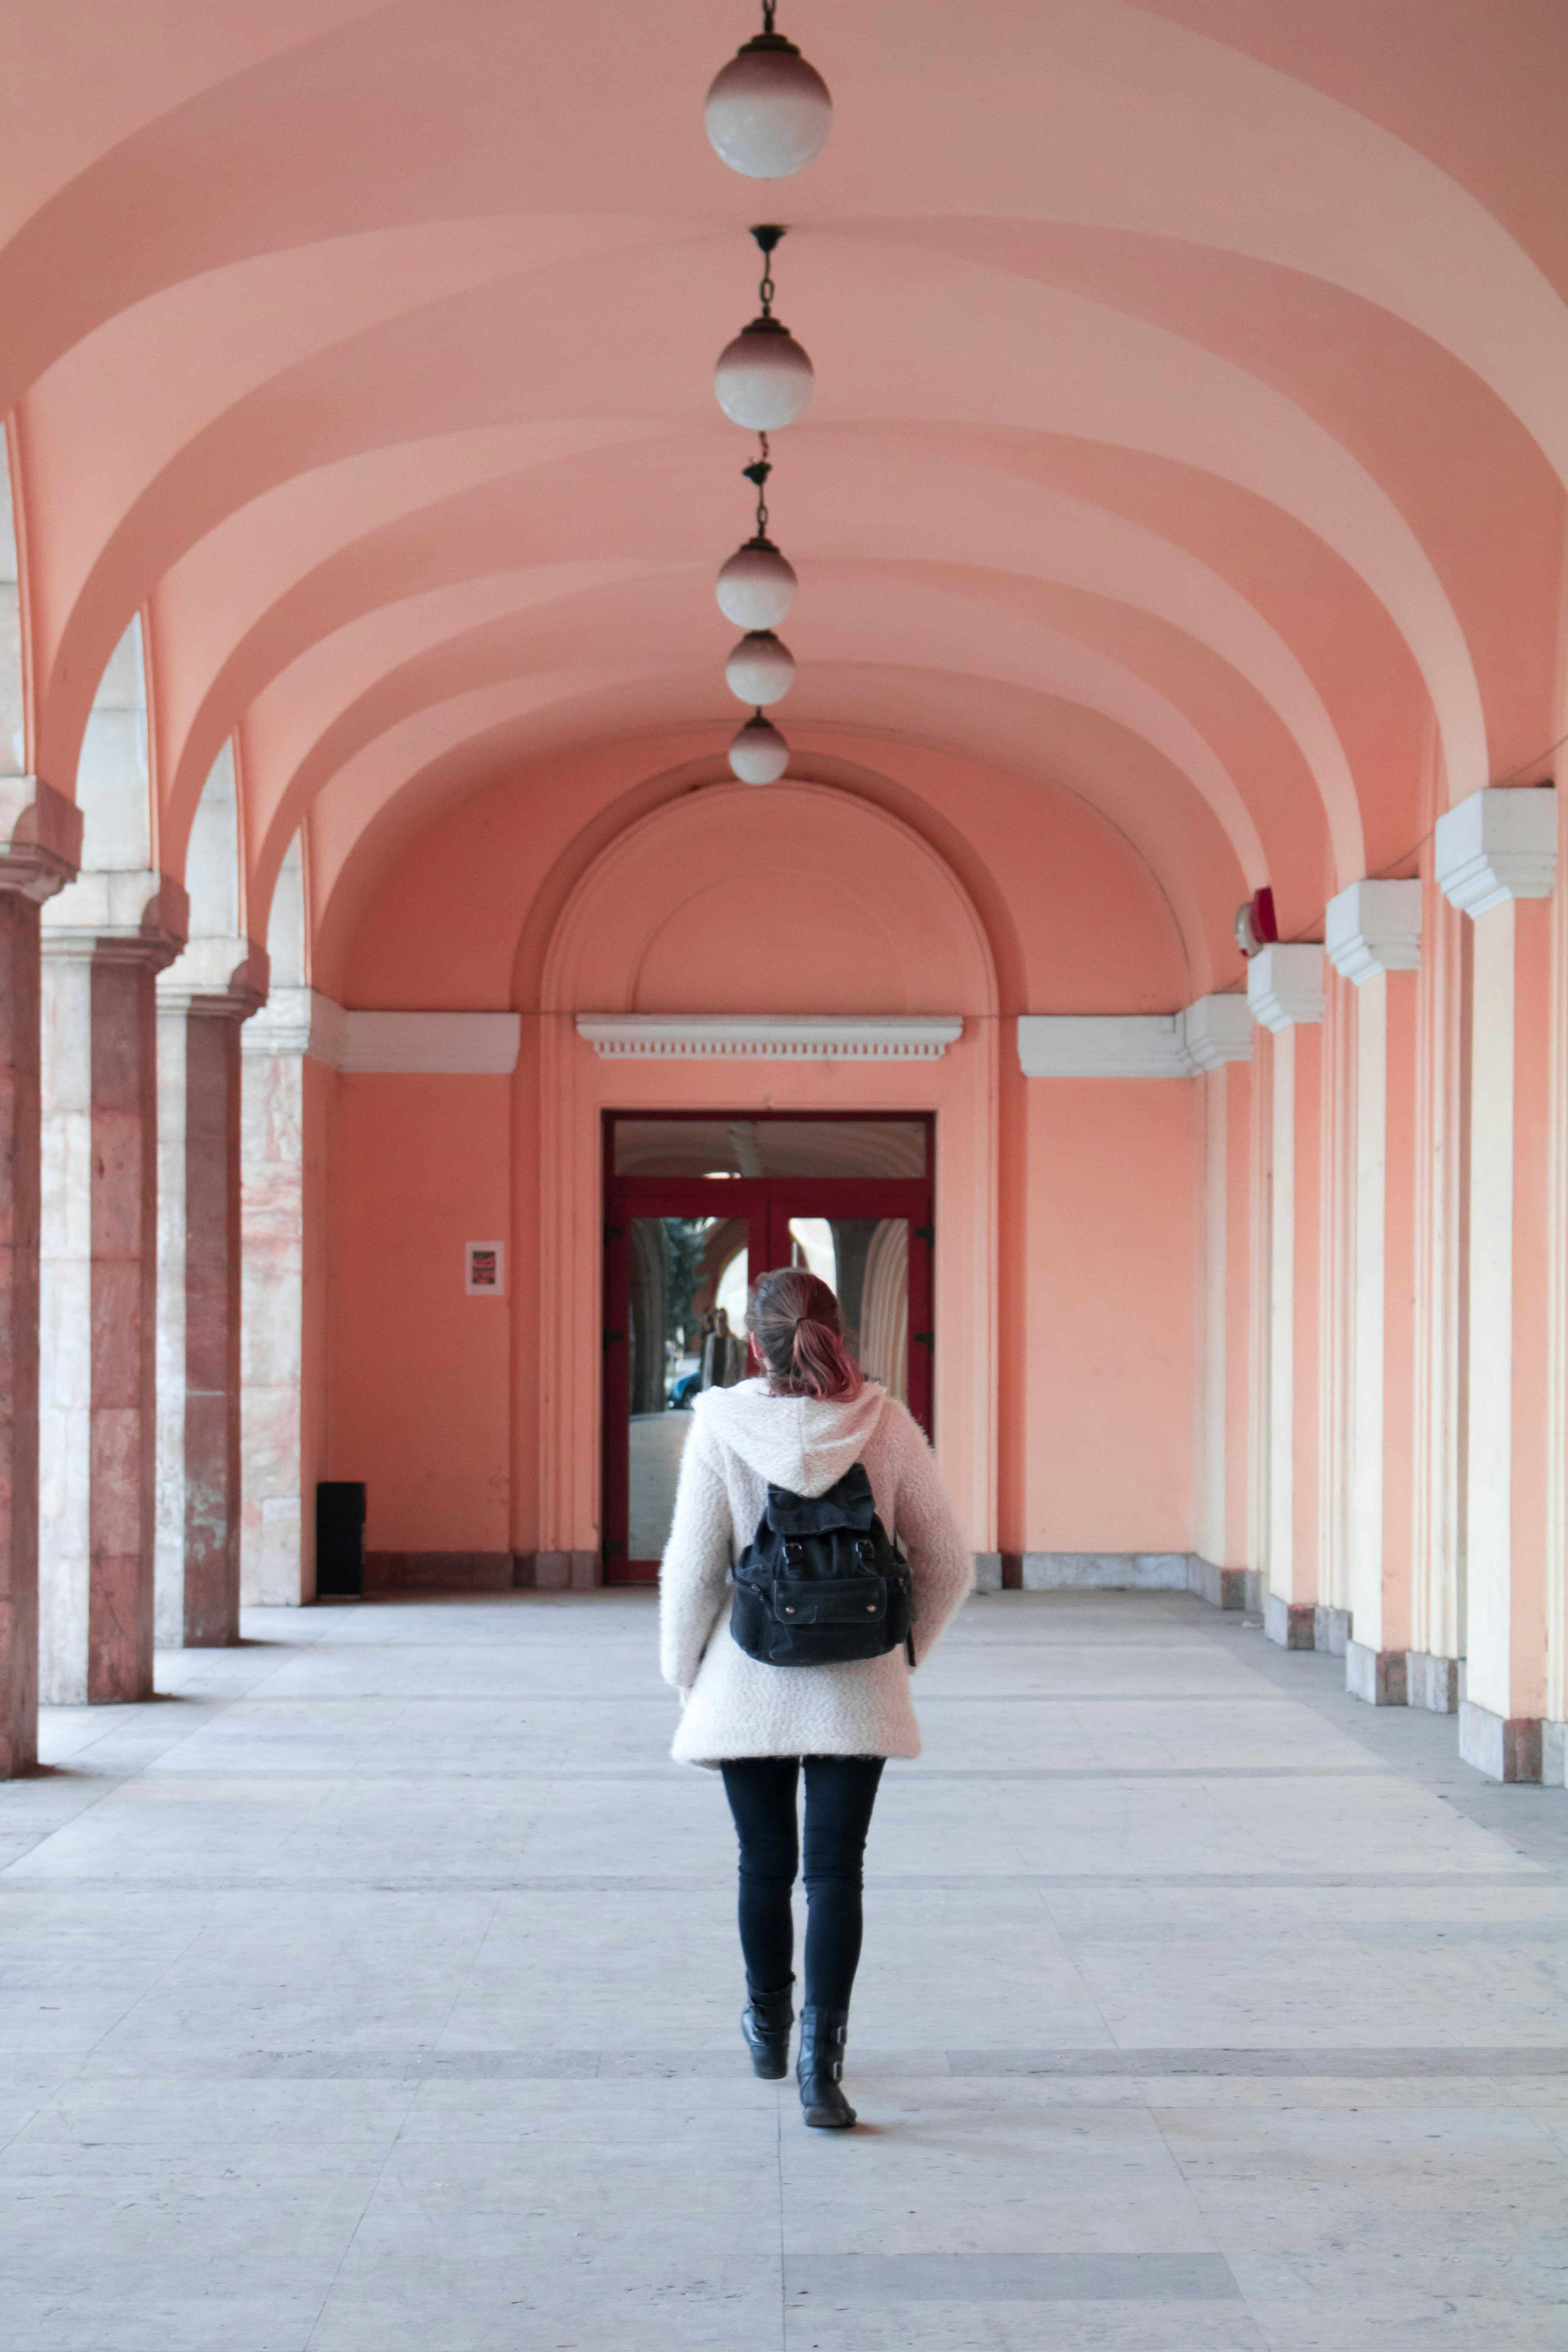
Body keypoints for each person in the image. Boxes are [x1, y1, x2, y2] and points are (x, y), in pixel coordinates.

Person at [658, 1266, 972, 2128]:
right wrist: (898, 1655)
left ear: (752, 1343)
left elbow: (691, 1571)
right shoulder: (885, 1423)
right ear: (838, 1333)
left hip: (746, 1678)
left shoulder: (721, 1424)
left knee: (763, 1864)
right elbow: (947, 1563)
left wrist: (686, 1675)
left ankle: (766, 2025)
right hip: (855, 1685)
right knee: (835, 1872)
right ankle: (818, 2071)